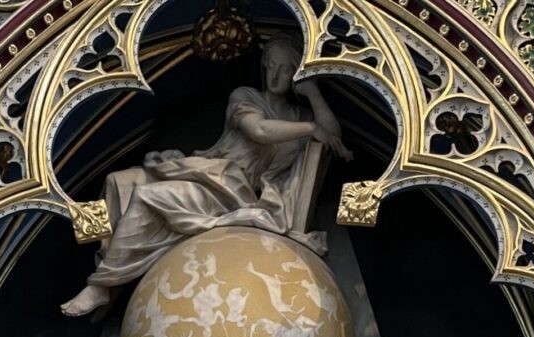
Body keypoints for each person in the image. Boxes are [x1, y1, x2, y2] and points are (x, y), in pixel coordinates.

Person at [61, 36, 352, 317]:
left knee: (148, 196)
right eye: (271, 65)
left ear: (295, 74)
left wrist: (313, 93)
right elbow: (260, 130)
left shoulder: (299, 116)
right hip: (211, 172)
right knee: (117, 181)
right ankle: (107, 259)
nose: (275, 74)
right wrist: (311, 129)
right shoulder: (245, 96)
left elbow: (333, 140)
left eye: (285, 68)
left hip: (231, 191)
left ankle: (101, 285)